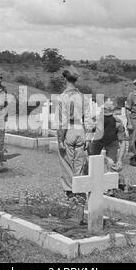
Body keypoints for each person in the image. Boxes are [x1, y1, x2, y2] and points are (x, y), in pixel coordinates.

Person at [56, 66, 93, 198]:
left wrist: (60, 138)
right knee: (79, 161)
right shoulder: (83, 97)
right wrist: (88, 137)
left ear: (65, 79)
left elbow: (63, 120)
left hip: (69, 130)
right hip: (81, 130)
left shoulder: (62, 97)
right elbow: (88, 118)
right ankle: (79, 187)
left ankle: (70, 190)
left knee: (66, 161)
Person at [89, 99, 127, 190]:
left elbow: (123, 142)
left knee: (112, 164)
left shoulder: (118, 123)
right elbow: (89, 132)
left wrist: (120, 160)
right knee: (91, 162)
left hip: (112, 141)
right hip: (98, 140)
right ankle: (90, 184)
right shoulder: (97, 120)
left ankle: (115, 185)